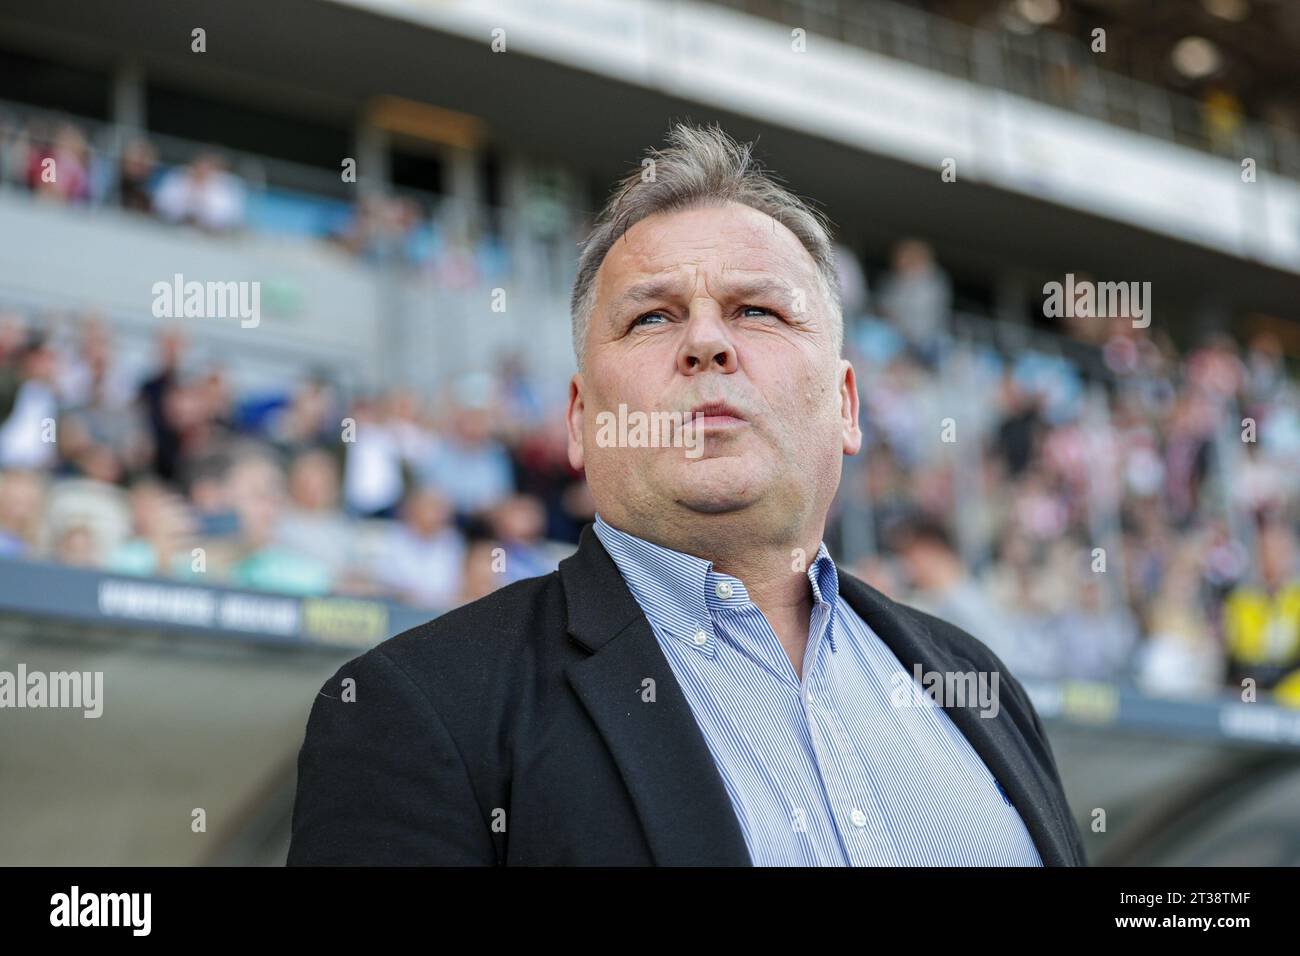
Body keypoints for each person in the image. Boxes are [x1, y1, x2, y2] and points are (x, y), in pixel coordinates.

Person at [288, 124, 1085, 867]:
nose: (706, 341)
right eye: (652, 318)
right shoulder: (417, 711)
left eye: (758, 311)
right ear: (580, 421)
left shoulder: (980, 687)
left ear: (847, 406)